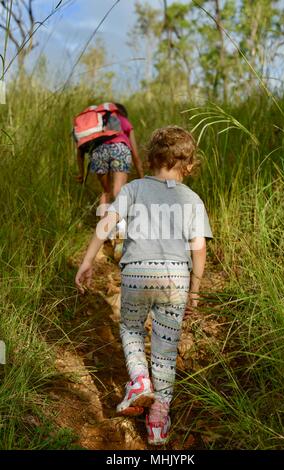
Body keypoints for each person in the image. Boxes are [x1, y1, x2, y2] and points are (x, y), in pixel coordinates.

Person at [75, 126, 213, 446]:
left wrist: (87, 261)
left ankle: (139, 380)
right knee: (165, 354)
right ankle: (158, 424)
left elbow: (106, 224)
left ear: (150, 158)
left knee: (131, 328)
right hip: (176, 278)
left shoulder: (134, 189)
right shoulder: (192, 199)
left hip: (137, 273)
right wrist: (195, 289)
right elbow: (199, 248)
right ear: (189, 165)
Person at [76, 102, 144, 216]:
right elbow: (136, 155)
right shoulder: (123, 120)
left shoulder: (97, 123)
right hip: (119, 148)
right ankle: (119, 229)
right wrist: (142, 177)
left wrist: (82, 174)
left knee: (105, 191)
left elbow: (80, 153)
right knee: (119, 190)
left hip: (98, 151)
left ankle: (103, 229)